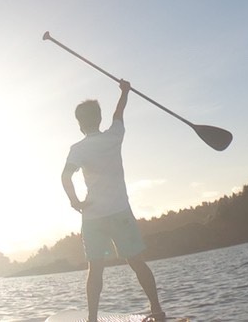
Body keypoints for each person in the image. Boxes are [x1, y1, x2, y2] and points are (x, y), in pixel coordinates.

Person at [61, 79, 166, 322]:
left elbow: (65, 176)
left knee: (95, 269)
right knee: (137, 262)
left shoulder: (77, 149)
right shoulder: (114, 136)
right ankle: (157, 311)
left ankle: (93, 319)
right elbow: (118, 113)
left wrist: (74, 201)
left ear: (79, 124)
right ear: (99, 119)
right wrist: (125, 91)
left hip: (93, 216)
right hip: (119, 212)